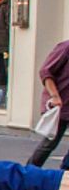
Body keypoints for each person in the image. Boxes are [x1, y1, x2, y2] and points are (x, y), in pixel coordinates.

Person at [28, 38, 69, 170]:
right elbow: (46, 72)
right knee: (50, 143)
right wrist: (55, 96)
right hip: (60, 104)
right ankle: (28, 174)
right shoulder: (65, 47)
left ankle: (65, 174)